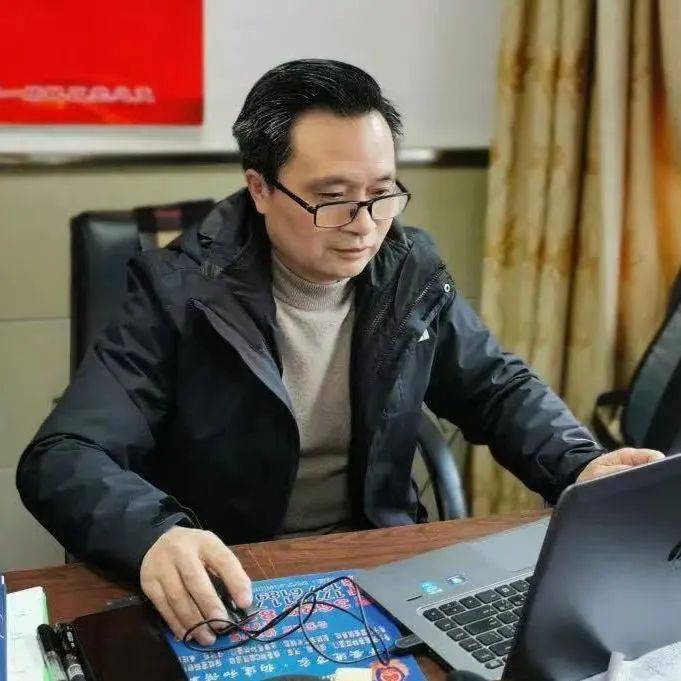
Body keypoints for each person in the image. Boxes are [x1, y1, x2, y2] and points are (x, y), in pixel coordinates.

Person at [16, 59, 663, 647]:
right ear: (260, 188)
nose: (365, 224)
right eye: (331, 199)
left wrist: (581, 466)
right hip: (234, 579)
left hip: (378, 564)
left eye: (381, 192)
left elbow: (495, 388)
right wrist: (155, 535)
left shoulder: (408, 266)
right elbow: (63, 454)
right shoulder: (178, 291)